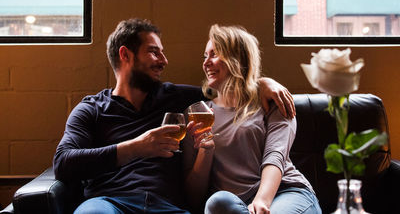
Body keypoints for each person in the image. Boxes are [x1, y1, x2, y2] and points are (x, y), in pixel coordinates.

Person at [53, 18, 295, 214]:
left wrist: (263, 83)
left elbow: (227, 89)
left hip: (167, 206)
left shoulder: (175, 96)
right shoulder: (92, 109)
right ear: (125, 55)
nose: (164, 61)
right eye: (154, 52)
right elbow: (64, 163)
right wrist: (137, 147)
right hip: (108, 203)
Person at [184, 24, 322, 214]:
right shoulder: (200, 114)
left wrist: (261, 201)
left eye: (214, 54)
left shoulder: (273, 102)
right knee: (217, 202)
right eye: (205, 56)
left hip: (284, 193)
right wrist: (205, 152)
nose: (206, 62)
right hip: (235, 205)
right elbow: (194, 198)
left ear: (237, 58)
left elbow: (275, 156)